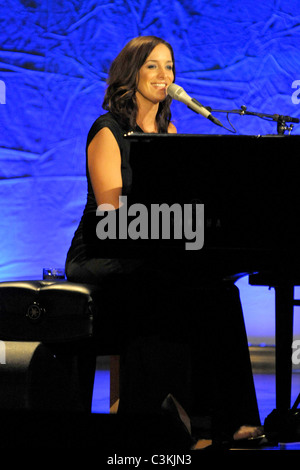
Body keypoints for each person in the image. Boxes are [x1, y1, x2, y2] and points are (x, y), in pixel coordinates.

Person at [65, 36, 263, 445]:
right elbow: (110, 214)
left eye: (169, 66)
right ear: (131, 73)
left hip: (151, 246)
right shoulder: (107, 131)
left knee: (220, 294)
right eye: (152, 66)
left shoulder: (169, 130)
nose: (164, 75)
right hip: (103, 250)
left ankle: (231, 421)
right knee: (166, 286)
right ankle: (166, 424)